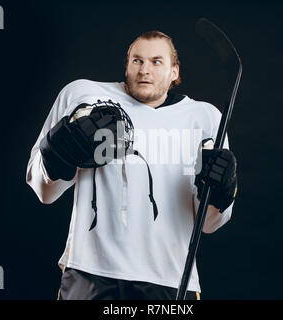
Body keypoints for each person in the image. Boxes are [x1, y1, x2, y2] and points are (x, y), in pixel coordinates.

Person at [26, 30, 238, 300]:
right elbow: (43, 190)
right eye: (137, 60)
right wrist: (57, 156)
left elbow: (210, 223)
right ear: (127, 65)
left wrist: (222, 191)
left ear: (175, 72)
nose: (144, 70)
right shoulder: (83, 97)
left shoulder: (205, 119)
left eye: (156, 61)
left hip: (169, 279)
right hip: (89, 273)